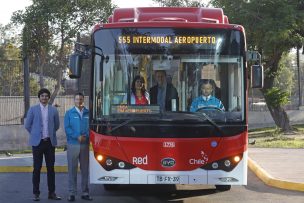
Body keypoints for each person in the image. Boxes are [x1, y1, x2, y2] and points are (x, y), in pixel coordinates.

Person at [24, 88, 61, 201]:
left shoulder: (53, 110)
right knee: (37, 168)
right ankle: (36, 193)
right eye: (42, 96)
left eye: (46, 96)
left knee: (51, 168)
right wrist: (35, 134)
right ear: (39, 97)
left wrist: (50, 133)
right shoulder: (33, 109)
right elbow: (27, 125)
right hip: (37, 143)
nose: (44, 98)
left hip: (49, 143)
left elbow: (57, 125)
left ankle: (52, 193)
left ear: (49, 98)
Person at [64, 93, 92, 201]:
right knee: (72, 169)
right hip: (73, 144)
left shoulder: (88, 113)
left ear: (83, 100)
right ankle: (72, 193)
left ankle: (85, 192)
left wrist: (86, 136)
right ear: (74, 100)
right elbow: (67, 128)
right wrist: (77, 136)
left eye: (80, 99)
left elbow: (91, 127)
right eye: (77, 99)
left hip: (85, 144)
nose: (79, 101)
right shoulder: (69, 113)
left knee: (85, 169)